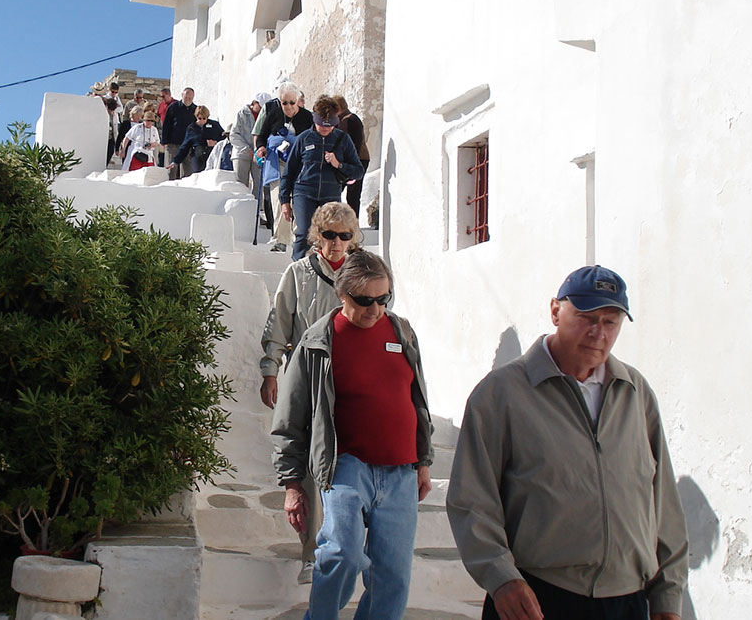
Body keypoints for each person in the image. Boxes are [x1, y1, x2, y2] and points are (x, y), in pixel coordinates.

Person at [447, 265, 689, 620]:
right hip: (536, 599)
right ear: (555, 311)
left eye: (611, 322)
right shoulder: (502, 393)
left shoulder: (635, 392)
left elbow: (663, 500)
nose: (598, 333)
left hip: (627, 602)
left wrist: (668, 599)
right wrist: (501, 578)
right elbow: (472, 500)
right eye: (586, 317)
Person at [272, 250, 435, 619]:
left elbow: (418, 399)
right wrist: (292, 485)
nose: (375, 309)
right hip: (346, 466)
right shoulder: (317, 343)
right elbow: (290, 416)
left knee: (392, 575)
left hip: (401, 470)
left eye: (383, 298)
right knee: (340, 554)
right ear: (341, 294)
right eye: (365, 301)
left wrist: (422, 461)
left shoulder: (402, 333)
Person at [260, 202, 362, 584]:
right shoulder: (298, 273)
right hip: (307, 380)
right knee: (307, 467)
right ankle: (312, 551)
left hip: (352, 380)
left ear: (354, 238)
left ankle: (347, 546)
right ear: (317, 235)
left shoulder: (363, 275)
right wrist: (270, 371)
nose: (336, 243)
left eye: (344, 235)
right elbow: (279, 322)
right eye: (329, 234)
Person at [280, 95, 364, 261]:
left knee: (329, 235)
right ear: (314, 119)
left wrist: (339, 164)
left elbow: (358, 171)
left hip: (330, 193)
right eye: (321, 124)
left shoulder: (343, 139)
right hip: (304, 192)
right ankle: (296, 269)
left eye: (330, 125)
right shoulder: (304, 138)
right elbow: (289, 171)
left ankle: (326, 270)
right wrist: (284, 201)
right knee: (304, 232)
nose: (325, 129)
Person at [254, 82, 313, 254]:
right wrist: (261, 147)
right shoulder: (274, 114)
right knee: (279, 199)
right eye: (284, 102)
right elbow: (261, 135)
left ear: (298, 101)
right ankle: (280, 239)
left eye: (291, 102)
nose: (288, 106)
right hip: (276, 162)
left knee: (298, 201)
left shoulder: (307, 118)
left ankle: (299, 238)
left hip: (299, 164)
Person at [231, 92, 271, 234]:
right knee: (241, 183)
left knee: (259, 182)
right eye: (260, 106)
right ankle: (240, 212)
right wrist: (246, 149)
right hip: (241, 154)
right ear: (254, 103)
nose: (261, 109)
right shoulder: (242, 114)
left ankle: (255, 213)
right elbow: (234, 134)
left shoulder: (266, 115)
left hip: (257, 154)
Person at [332, 95, 370, 218]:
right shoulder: (340, 121)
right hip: (347, 162)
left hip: (358, 160)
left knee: (353, 195)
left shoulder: (352, 119)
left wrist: (352, 163)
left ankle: (353, 225)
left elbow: (356, 143)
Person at [172, 105, 224, 174]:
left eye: (204, 118)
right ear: (196, 117)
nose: (202, 120)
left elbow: (223, 138)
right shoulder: (192, 128)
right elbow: (185, 146)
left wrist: (215, 143)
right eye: (199, 118)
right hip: (197, 156)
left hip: (211, 154)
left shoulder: (215, 125)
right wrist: (175, 161)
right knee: (197, 175)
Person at [162, 87, 198, 178]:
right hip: (173, 144)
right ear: (182, 95)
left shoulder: (196, 110)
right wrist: (164, 141)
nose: (188, 100)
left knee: (188, 171)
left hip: (188, 145)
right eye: (186, 97)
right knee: (171, 170)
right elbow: (166, 124)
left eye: (190, 98)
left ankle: (186, 190)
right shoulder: (173, 107)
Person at [156, 87, 174, 166]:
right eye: (161, 97)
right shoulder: (161, 105)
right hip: (162, 130)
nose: (162, 99)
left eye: (163, 96)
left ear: (169, 94)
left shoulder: (175, 104)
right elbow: (158, 116)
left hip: (172, 131)